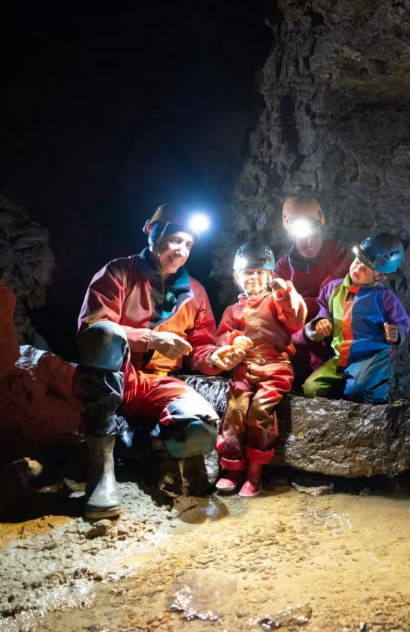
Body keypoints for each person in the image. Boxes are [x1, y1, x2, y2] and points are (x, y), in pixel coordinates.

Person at [75, 204, 245, 519]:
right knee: (105, 334)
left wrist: (217, 358)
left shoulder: (195, 292)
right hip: (116, 373)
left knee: (199, 430)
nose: (181, 250)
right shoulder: (118, 272)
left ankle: (132, 444)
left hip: (157, 383)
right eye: (174, 240)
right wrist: (151, 339)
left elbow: (199, 348)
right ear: (153, 233)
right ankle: (101, 471)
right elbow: (91, 331)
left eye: (188, 244)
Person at [214, 242, 307, 497]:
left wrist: (286, 293)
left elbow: (296, 319)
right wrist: (233, 340)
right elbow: (220, 337)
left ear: (269, 276)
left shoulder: (276, 302)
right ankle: (232, 468)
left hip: (275, 367)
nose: (253, 278)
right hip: (245, 369)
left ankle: (255, 471)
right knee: (235, 409)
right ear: (237, 277)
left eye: (260, 273)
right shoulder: (233, 310)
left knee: (261, 409)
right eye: (248, 273)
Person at [303, 233, 410, 404]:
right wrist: (320, 323)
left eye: (365, 269)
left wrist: (396, 333)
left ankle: (377, 400)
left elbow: (402, 322)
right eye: (357, 262)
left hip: (372, 358)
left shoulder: (384, 297)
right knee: (312, 388)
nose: (356, 269)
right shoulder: (334, 289)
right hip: (341, 357)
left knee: (360, 393)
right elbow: (323, 310)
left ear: (381, 277)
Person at [273, 195, 351, 381]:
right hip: (301, 341)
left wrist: (307, 305)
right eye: (303, 237)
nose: (310, 243)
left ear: (322, 229)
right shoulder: (283, 267)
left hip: (335, 333)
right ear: (291, 235)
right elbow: (280, 314)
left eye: (315, 234)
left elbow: (339, 294)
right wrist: (306, 331)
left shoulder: (335, 251)